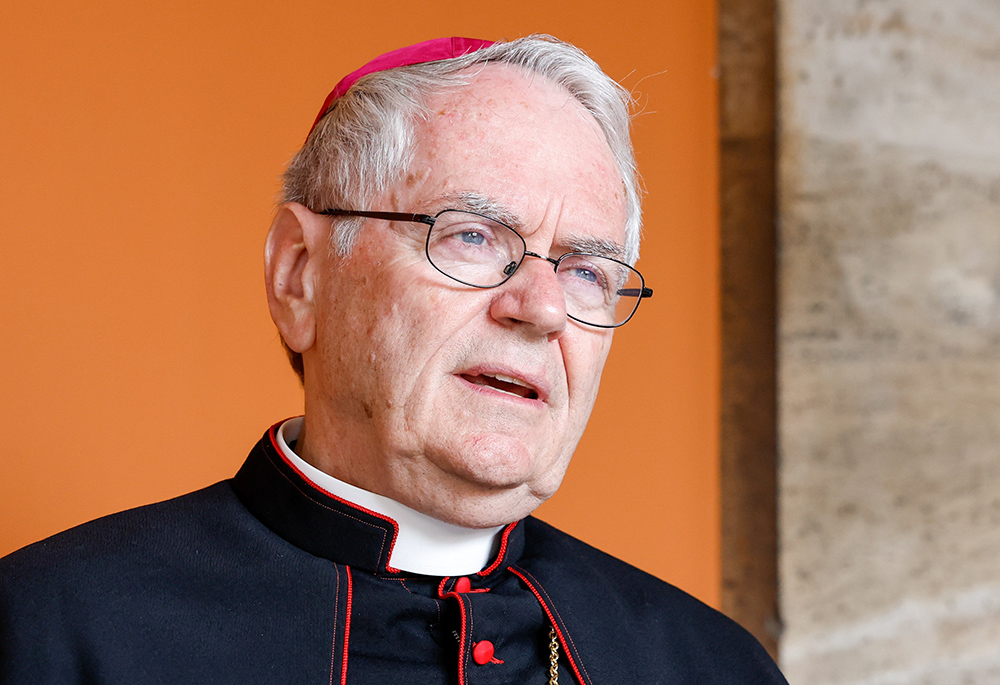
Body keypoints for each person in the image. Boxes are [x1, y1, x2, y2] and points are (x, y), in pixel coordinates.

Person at [0, 35, 787, 684]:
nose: (544, 307)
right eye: (473, 236)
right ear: (299, 274)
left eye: (585, 269)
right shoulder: (50, 632)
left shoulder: (710, 665)